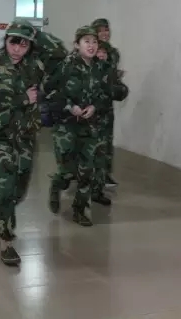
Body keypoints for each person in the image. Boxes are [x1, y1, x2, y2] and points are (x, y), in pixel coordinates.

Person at [0, 21, 45, 266]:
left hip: (26, 135)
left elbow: (58, 55)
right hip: (0, 135)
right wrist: (23, 99)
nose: (17, 49)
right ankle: (5, 240)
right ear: (5, 40)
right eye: (13, 42)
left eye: (24, 44)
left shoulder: (34, 66)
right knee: (7, 185)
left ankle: (0, 199)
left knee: (19, 188)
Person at [48, 26, 108, 227]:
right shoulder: (65, 66)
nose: (91, 45)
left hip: (89, 125)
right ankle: (56, 186)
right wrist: (69, 106)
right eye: (86, 41)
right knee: (67, 171)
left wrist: (94, 106)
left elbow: (104, 94)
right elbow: (49, 91)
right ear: (76, 45)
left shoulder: (99, 68)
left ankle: (79, 210)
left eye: (94, 41)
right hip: (66, 126)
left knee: (86, 170)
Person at [91, 18, 124, 188]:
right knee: (89, 140)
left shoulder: (113, 52)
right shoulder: (89, 50)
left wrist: (115, 76)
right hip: (89, 101)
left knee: (107, 139)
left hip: (106, 103)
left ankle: (104, 174)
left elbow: (110, 73)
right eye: (100, 30)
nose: (105, 33)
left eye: (107, 30)